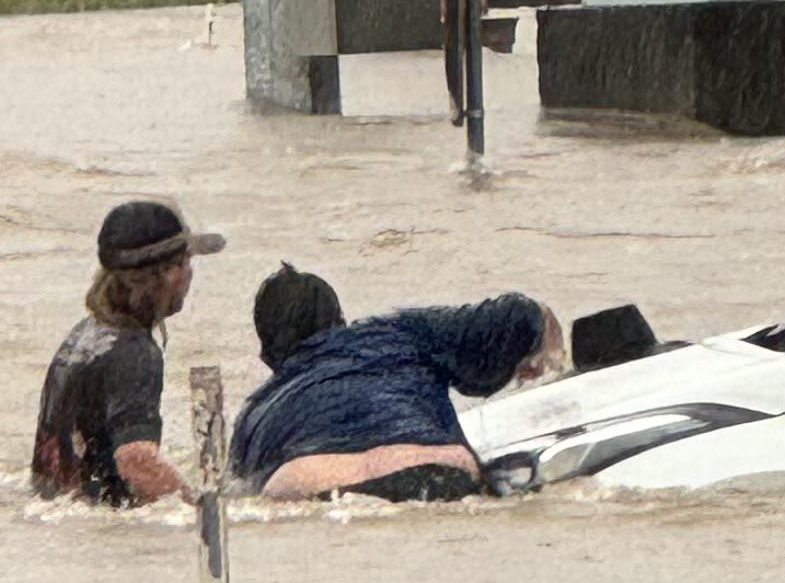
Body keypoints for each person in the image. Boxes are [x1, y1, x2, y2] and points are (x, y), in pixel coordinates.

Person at [231, 262, 563, 502]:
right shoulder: (401, 335)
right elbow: (523, 314)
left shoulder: (257, 413)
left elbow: (237, 492)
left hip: (313, 478)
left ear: (267, 358)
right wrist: (547, 355)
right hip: (434, 463)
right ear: (342, 323)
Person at [32, 197, 227, 505]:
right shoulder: (135, 353)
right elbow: (136, 461)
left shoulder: (85, 335)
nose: (191, 275)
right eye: (188, 262)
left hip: (64, 526)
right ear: (170, 273)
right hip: (103, 535)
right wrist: (202, 509)